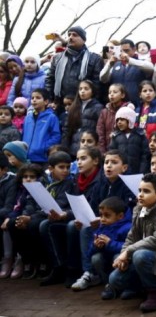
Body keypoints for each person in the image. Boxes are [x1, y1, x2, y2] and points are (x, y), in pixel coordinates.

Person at [108, 173, 156, 313]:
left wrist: (128, 252)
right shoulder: (139, 208)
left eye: (146, 191)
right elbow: (131, 237)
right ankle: (143, 288)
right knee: (114, 280)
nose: (140, 195)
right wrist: (123, 255)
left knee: (140, 256)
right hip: (147, 258)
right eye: (140, 190)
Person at [71, 196, 131, 292]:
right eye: (101, 215)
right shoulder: (102, 227)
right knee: (96, 258)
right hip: (107, 261)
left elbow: (128, 247)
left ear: (120, 216)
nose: (102, 219)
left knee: (117, 256)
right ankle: (108, 283)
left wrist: (110, 243)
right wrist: (95, 246)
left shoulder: (127, 227)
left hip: (119, 259)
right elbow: (89, 254)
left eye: (107, 216)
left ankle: (122, 284)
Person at [38, 151, 77, 286]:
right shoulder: (45, 182)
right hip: (52, 215)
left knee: (45, 225)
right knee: (35, 223)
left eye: (68, 167)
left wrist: (61, 213)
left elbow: (61, 204)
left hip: (67, 217)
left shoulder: (69, 183)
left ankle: (62, 268)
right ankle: (53, 266)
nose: (65, 171)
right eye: (61, 167)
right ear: (50, 169)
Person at [45, 26, 103, 108]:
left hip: (84, 106)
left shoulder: (94, 58)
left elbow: (97, 84)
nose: (70, 37)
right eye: (69, 35)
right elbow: (50, 80)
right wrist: (50, 100)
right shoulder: (57, 58)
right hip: (60, 105)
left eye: (75, 35)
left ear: (84, 40)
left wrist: (92, 104)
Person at [99, 39, 153, 107]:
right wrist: (109, 64)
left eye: (127, 50)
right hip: (117, 105)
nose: (124, 53)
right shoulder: (115, 64)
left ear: (134, 49)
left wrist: (129, 60)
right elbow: (103, 78)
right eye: (122, 51)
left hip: (138, 105)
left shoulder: (141, 62)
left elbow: (151, 68)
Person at [61, 80, 103, 156]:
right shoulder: (74, 107)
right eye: (80, 89)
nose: (82, 91)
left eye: (86, 89)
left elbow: (100, 129)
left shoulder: (98, 107)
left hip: (89, 147)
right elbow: (67, 129)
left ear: (92, 91)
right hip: (73, 148)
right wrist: (65, 148)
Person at [22, 89, 61, 165]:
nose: (34, 100)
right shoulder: (28, 117)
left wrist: (43, 148)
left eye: (38, 98)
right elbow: (24, 134)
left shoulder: (51, 117)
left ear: (46, 101)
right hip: (27, 157)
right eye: (32, 98)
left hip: (42, 158)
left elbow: (56, 136)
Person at [109, 106, 150, 174]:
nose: (119, 122)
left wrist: (142, 172)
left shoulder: (140, 135)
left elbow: (145, 156)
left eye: (122, 119)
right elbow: (112, 154)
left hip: (137, 172)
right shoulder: (115, 136)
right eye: (117, 120)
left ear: (130, 120)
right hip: (121, 172)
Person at [96, 83, 132, 153]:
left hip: (123, 149)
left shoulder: (128, 109)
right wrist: (102, 151)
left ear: (122, 95)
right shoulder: (104, 112)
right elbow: (100, 132)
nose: (111, 94)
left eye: (115, 92)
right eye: (110, 92)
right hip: (107, 149)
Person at [0, 152, 17, 279]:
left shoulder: (12, 181)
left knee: (8, 223)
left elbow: (9, 207)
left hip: (7, 214)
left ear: (4, 170)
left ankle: (8, 259)